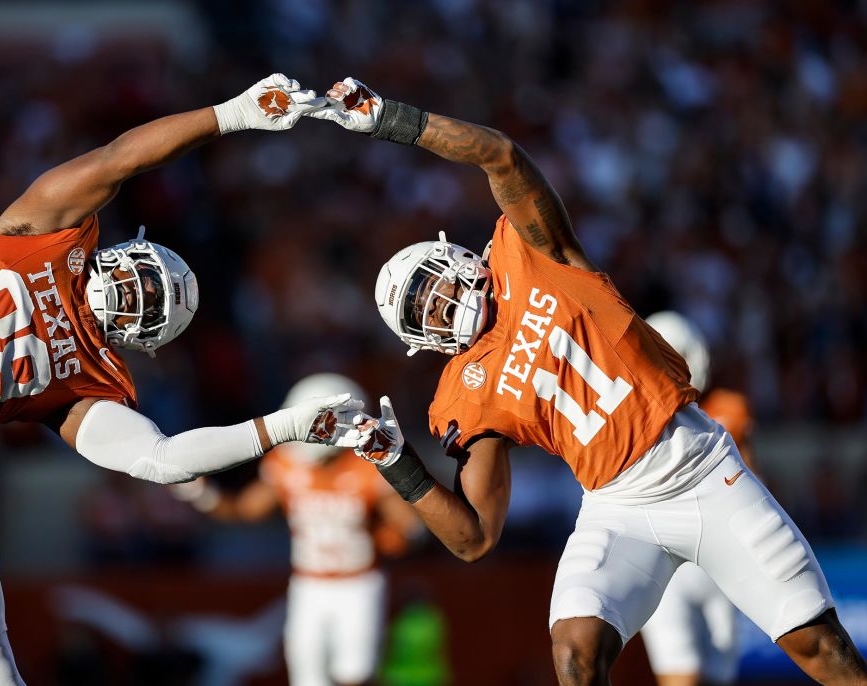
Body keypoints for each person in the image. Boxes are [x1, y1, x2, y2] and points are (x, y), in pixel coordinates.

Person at [0, 73, 365, 686]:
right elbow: (122, 157)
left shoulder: (87, 378)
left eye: (153, 301)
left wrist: (285, 426)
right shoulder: (45, 231)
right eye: (148, 277)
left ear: (144, 338)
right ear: (130, 252)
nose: (138, 291)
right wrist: (232, 114)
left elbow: (164, 459)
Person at [307, 77, 867, 685]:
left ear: (457, 257)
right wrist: (396, 461)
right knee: (575, 654)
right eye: (426, 311)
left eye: (433, 282)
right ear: (424, 341)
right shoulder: (467, 393)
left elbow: (499, 154)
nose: (442, 302)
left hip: (700, 466)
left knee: (818, 645)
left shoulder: (529, 251)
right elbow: (473, 538)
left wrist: (390, 118)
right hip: (616, 506)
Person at [172, 373, 422, 686]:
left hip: (358, 583)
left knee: (356, 675)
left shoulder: (366, 467)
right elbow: (246, 510)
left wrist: (392, 536)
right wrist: (201, 493)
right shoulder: (287, 464)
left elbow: (409, 528)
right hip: (309, 585)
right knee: (307, 677)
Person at [638, 311, 757, 686]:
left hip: (720, 561)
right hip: (668, 563)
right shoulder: (634, 414)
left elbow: (750, 484)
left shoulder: (728, 408)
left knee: (721, 675)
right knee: (681, 675)